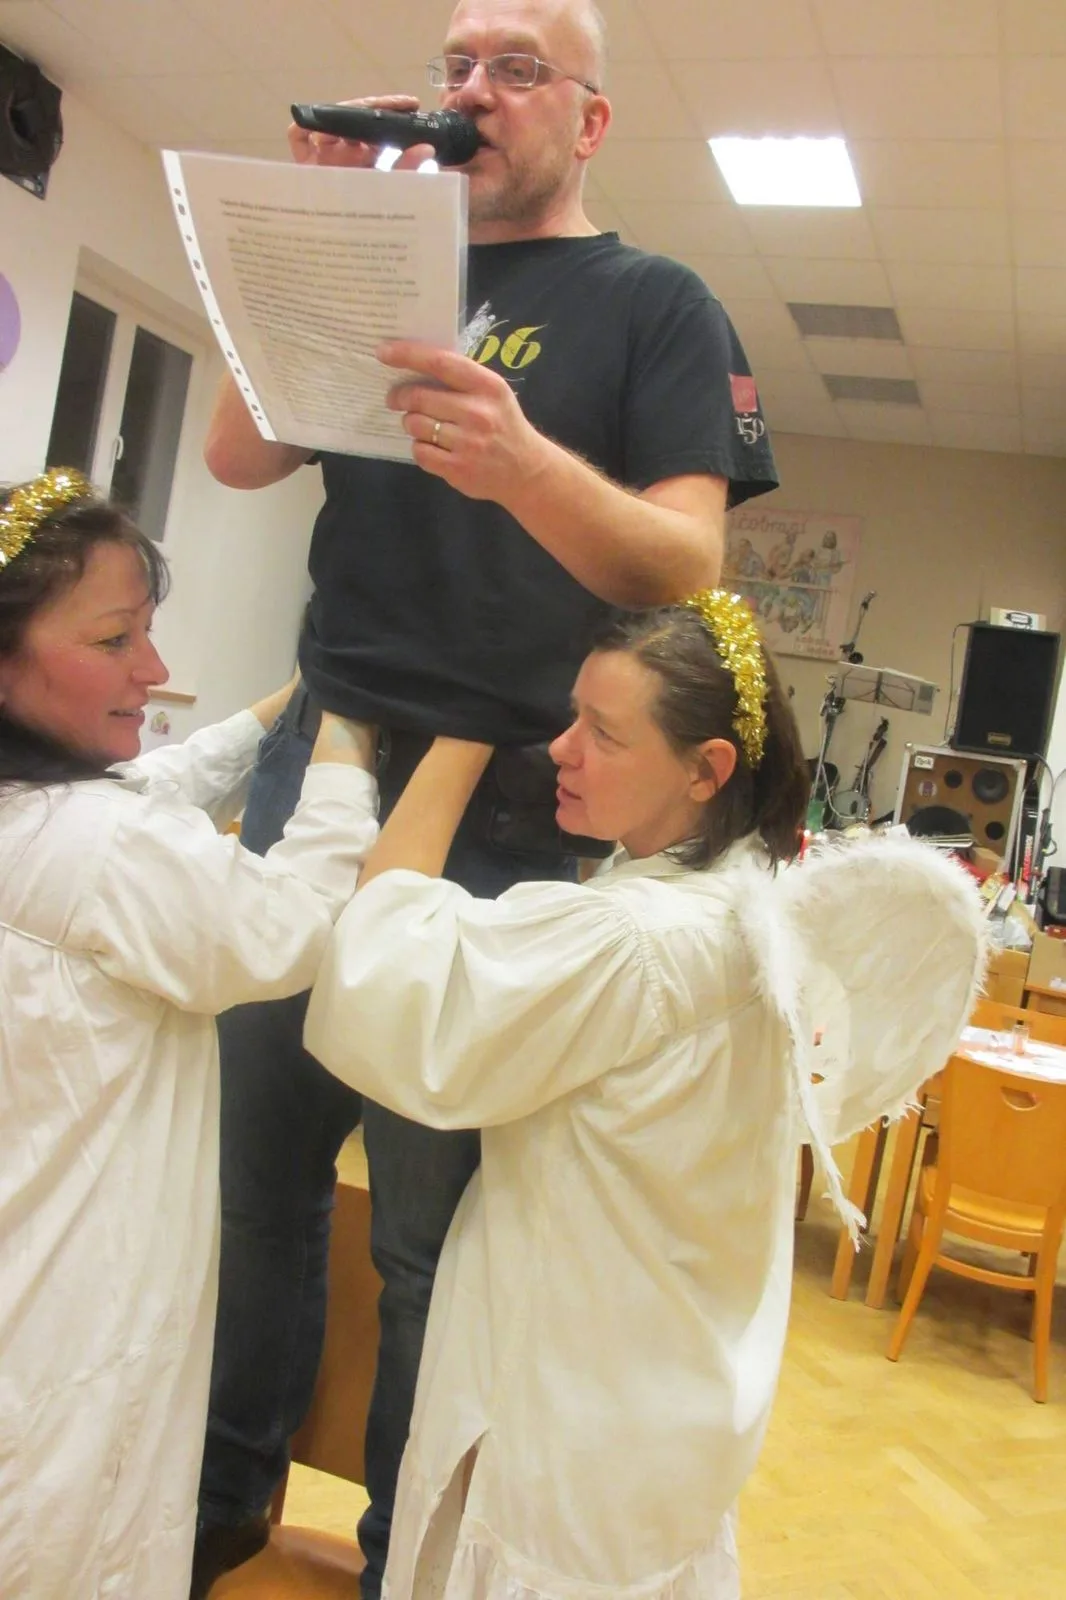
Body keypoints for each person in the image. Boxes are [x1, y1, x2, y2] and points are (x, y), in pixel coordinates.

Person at [195, 1, 779, 1591]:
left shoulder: (655, 301)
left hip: (509, 813)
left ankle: (410, 1561)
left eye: (517, 68)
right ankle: (222, 1512)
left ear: (588, 119)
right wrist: (312, 237)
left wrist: (522, 462)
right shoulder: (392, 266)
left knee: (426, 1237)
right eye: (456, 64)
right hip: (318, 771)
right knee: (250, 1185)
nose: (473, 92)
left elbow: (685, 563)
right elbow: (238, 453)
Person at [303, 593, 985, 1600]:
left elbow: (386, 978)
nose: (560, 748)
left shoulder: (635, 940)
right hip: (667, 1396)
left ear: (705, 769)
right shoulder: (747, 899)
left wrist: (449, 734)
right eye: (570, 715)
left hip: (571, 1404)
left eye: (603, 732)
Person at [0, 469, 380, 1600]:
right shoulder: (100, 850)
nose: (153, 667)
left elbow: (151, 789)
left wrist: (281, 710)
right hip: (63, 1354)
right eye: (114, 639)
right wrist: (348, 739)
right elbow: (287, 924)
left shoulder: (49, 821)